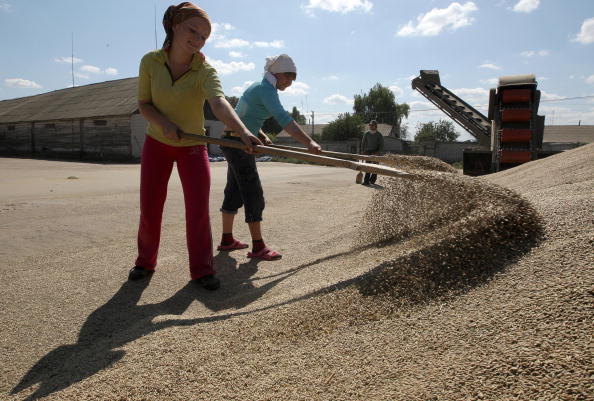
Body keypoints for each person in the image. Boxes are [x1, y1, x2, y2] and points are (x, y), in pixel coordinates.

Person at [129, 2, 262, 290]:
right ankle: (145, 261)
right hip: (157, 144)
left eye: (204, 36)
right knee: (150, 207)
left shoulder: (204, 70)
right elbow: (144, 104)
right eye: (193, 30)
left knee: (198, 209)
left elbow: (218, 102)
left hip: (192, 147)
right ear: (175, 26)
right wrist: (164, 124)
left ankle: (202, 270)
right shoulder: (150, 61)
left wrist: (242, 132)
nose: (198, 40)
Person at [217, 54, 321, 261]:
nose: (289, 83)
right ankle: (258, 247)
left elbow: (245, 114)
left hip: (232, 140)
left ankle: (227, 239)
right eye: (288, 78)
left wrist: (262, 135)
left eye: (292, 80)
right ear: (277, 73)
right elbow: (285, 120)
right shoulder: (266, 90)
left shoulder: (259, 87)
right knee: (253, 192)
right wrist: (309, 142)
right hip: (239, 144)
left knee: (234, 190)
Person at [360, 120, 384, 185]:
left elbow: (381, 145)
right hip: (368, 151)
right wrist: (362, 151)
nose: (370, 126)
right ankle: (366, 181)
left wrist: (378, 152)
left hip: (376, 151)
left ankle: (372, 180)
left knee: (375, 167)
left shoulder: (379, 135)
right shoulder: (366, 134)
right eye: (370, 125)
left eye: (372, 125)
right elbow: (363, 143)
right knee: (368, 166)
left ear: (375, 126)